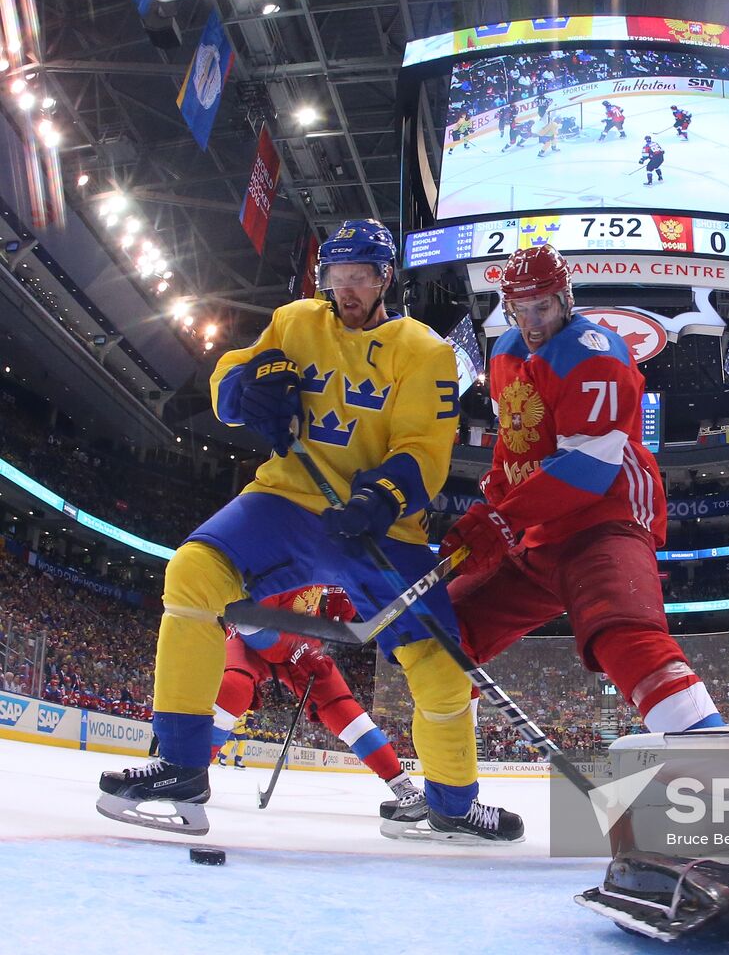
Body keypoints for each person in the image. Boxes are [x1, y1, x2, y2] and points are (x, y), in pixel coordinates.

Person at [97, 218, 521, 844]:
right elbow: (230, 374)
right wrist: (247, 389)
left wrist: (383, 496)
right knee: (191, 570)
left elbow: (425, 451)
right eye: (335, 277)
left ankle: (453, 804)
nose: (345, 291)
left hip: (381, 528)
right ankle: (182, 767)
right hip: (287, 500)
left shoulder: (425, 351)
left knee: (439, 662)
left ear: (385, 280)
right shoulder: (297, 322)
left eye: (358, 278)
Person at [440, 244, 724, 736]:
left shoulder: (594, 352)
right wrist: (490, 509)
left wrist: (503, 520)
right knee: (437, 636)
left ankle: (715, 760)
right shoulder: (505, 351)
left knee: (626, 639)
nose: (531, 322)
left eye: (542, 306)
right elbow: (514, 443)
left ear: (565, 299)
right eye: (519, 309)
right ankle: (454, 794)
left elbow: (588, 468)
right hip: (536, 534)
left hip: (602, 520)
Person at [211, 583, 427, 820]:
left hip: (298, 638)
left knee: (341, 705)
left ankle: (402, 785)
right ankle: (190, 770)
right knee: (234, 687)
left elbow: (341, 607)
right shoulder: (275, 550)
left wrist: (337, 606)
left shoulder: (331, 553)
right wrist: (297, 645)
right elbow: (249, 624)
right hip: (250, 637)